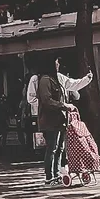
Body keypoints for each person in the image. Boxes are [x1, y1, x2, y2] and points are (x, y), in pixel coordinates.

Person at [36, 58, 74, 186]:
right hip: (50, 120)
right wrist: (63, 105)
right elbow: (47, 100)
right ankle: (49, 176)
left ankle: (57, 174)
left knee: (60, 148)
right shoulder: (45, 80)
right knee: (52, 147)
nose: (58, 65)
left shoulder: (56, 79)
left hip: (60, 120)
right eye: (56, 63)